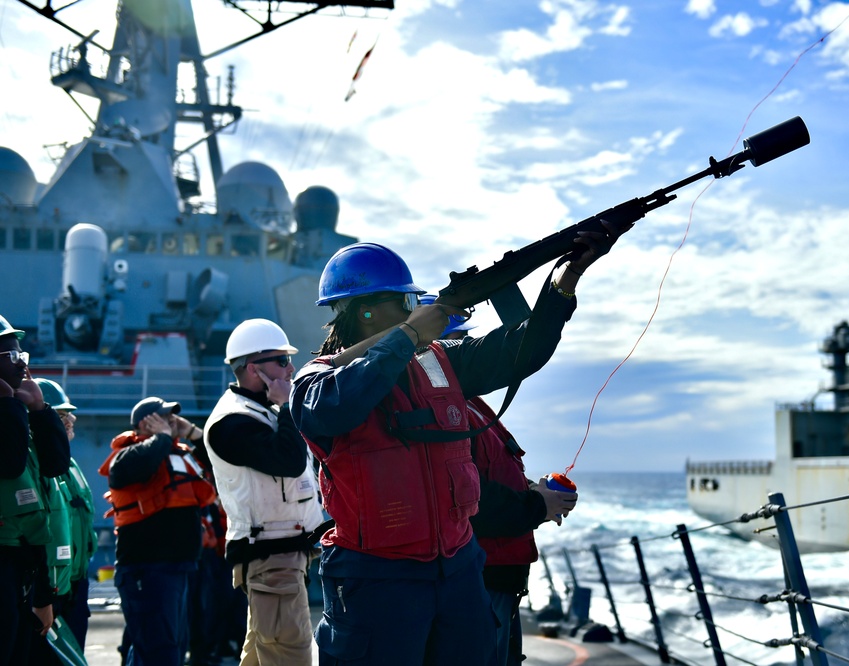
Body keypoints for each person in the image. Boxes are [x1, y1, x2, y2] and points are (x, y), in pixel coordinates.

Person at [290, 225, 626, 666]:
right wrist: (407, 336)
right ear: (365, 311)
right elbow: (334, 407)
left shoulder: (440, 359)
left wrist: (564, 281)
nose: (412, 309)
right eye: (402, 301)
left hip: (458, 567)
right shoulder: (317, 380)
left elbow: (523, 349)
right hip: (376, 577)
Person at [419, 296, 579, 666]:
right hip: (480, 579)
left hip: (500, 577)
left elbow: (487, 473)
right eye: (461, 342)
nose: (472, 352)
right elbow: (469, 500)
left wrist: (534, 494)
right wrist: (539, 505)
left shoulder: (470, 402)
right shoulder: (445, 412)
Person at [203, 318, 324, 666]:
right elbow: (285, 461)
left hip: (283, 555)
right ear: (254, 368)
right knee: (291, 654)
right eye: (282, 361)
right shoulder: (231, 422)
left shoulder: (261, 412)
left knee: (262, 654)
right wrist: (287, 406)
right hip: (271, 558)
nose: (291, 368)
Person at [98, 396, 217, 666]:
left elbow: (219, 464)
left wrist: (194, 434)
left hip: (180, 567)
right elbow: (130, 469)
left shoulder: (180, 453)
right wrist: (162, 437)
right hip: (147, 569)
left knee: (172, 647)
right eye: (164, 416)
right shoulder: (127, 455)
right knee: (157, 650)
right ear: (145, 423)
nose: (171, 421)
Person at [0, 314, 71, 666]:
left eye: (22, 357)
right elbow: (9, 463)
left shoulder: (15, 414)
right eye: (12, 357)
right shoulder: (8, 414)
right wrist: (10, 405)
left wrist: (40, 411)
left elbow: (55, 466)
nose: (21, 365)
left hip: (21, 563)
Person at [34, 378, 99, 655]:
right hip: (50, 591)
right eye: (61, 415)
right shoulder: (35, 464)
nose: (71, 419)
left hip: (75, 585)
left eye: (69, 413)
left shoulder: (70, 465)